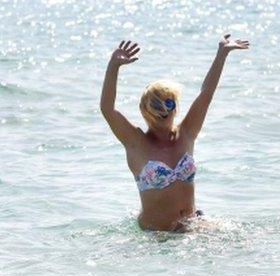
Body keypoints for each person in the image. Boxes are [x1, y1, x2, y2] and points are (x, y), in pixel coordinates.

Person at [100, 34, 250, 231]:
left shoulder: (187, 132)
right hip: (155, 237)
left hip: (192, 225)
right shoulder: (135, 142)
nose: (163, 109)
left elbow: (206, 93)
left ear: (175, 106)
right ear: (145, 110)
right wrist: (113, 66)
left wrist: (222, 53)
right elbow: (107, 109)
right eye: (155, 104)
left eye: (168, 102)